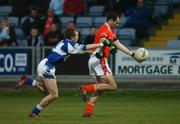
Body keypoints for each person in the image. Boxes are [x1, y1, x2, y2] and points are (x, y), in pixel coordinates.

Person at [15, 28, 104, 118]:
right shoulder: (69, 44)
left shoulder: (66, 42)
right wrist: (100, 44)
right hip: (47, 66)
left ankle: (28, 81)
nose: (78, 36)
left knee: (46, 92)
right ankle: (34, 113)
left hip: (45, 64)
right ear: (72, 37)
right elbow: (83, 47)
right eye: (76, 35)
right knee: (54, 95)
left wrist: (93, 53)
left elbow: (80, 50)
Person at [79, 12, 140, 117]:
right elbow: (103, 40)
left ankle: (88, 111)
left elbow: (118, 44)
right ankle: (86, 88)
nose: (117, 24)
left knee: (101, 88)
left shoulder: (111, 30)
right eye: (116, 22)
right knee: (113, 86)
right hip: (100, 60)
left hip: (94, 60)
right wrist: (107, 45)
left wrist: (133, 54)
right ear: (110, 20)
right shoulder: (105, 29)